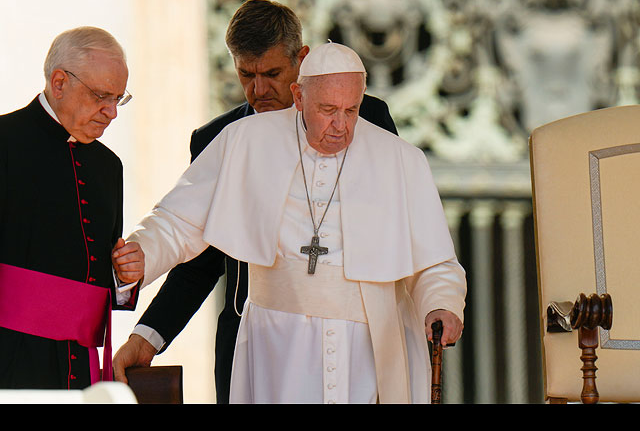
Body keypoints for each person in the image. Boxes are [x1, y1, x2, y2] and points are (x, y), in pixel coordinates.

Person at [119, 41, 466, 404]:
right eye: (328, 109)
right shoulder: (244, 141)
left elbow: (435, 260)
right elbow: (178, 219)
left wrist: (441, 302)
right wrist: (143, 252)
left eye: (351, 110)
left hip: (369, 346)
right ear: (298, 97)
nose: (341, 125)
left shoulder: (402, 159)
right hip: (276, 345)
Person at [0, 26, 145, 390]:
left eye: (118, 98)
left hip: (81, 368)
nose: (111, 112)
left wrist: (123, 278)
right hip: (10, 362)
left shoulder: (109, 167)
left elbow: (100, 276)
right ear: (59, 82)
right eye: (100, 96)